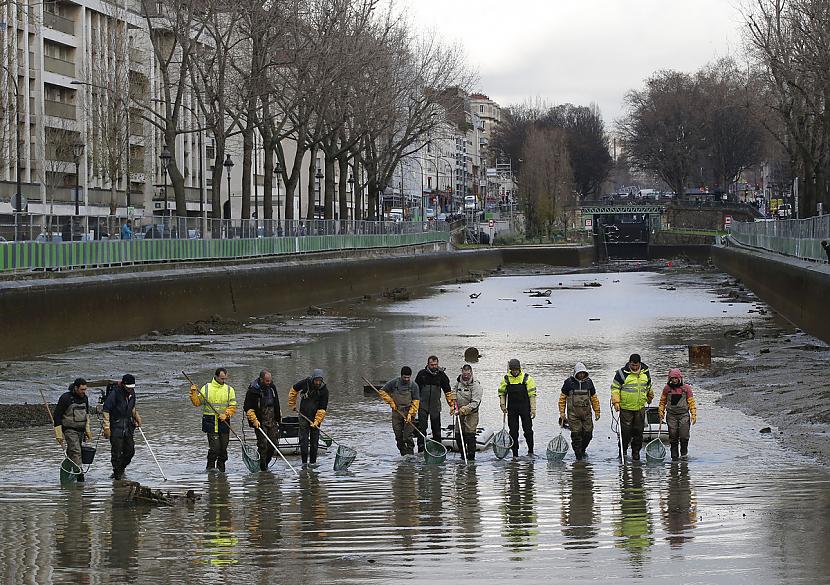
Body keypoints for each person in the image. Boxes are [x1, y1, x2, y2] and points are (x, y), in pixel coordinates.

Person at [190, 368, 237, 472]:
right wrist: (193, 393)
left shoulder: (230, 390)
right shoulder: (206, 388)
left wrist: (226, 414)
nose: (223, 380)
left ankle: (221, 470)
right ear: (216, 376)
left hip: (224, 422)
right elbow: (197, 403)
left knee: (223, 449)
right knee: (215, 448)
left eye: (225, 378)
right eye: (221, 378)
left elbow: (233, 406)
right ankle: (210, 468)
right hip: (210, 422)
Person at [611, 354, 654, 461]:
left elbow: (648, 385)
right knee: (625, 433)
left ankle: (636, 454)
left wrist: (650, 395)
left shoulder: (645, 372)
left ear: (639, 364)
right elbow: (615, 388)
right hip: (625, 408)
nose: (634, 367)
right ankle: (623, 452)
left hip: (640, 408)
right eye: (632, 365)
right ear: (629, 363)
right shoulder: (621, 373)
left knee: (638, 433)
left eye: (636, 365)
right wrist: (616, 402)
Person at [102, 374, 141, 480]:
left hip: (128, 426)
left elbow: (132, 407)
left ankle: (120, 469)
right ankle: (117, 474)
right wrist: (106, 427)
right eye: (128, 387)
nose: (130, 389)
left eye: (132, 387)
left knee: (130, 451)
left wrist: (136, 416)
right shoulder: (115, 394)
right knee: (116, 452)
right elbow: (106, 410)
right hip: (115, 426)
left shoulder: (132, 393)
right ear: (123, 385)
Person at [558, 362, 601, 460]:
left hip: (587, 414)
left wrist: (597, 411)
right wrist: (562, 413)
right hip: (573, 415)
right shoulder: (568, 383)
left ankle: (582, 450)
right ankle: (578, 457)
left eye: (583, 373)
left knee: (588, 434)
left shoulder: (589, 383)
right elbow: (562, 398)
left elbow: (594, 398)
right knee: (576, 436)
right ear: (575, 373)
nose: (581, 375)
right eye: (579, 373)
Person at [53, 378, 92, 481]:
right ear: (76, 388)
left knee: (72, 453)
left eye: (85, 389)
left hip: (81, 431)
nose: (84, 392)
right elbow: (57, 416)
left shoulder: (85, 398)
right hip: (69, 430)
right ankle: (80, 476)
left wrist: (87, 430)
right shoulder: (65, 398)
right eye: (82, 390)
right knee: (76, 451)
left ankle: (68, 476)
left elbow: (87, 415)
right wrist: (58, 434)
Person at [288, 369, 329, 466]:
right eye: (316, 380)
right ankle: (304, 463)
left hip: (316, 418)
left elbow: (322, 409)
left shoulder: (324, 391)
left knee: (314, 442)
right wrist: (292, 404)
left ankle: (313, 463)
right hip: (303, 416)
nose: (318, 382)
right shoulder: (306, 383)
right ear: (313, 379)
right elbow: (294, 390)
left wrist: (316, 421)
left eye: (320, 380)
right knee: (304, 441)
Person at [498, 359, 537, 457]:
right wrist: (502, 405)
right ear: (510, 369)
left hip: (525, 408)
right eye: (513, 370)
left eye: (516, 369)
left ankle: (531, 451)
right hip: (512, 409)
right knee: (513, 432)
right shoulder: (506, 379)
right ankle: (515, 454)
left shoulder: (527, 378)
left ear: (519, 369)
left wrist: (533, 409)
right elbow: (502, 393)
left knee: (528, 431)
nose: (515, 371)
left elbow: (532, 395)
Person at [244, 369, 281, 471]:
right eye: (267, 381)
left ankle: (266, 464)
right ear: (261, 379)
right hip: (260, 422)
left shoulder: (272, 388)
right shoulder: (253, 390)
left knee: (274, 444)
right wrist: (254, 420)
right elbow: (247, 407)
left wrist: (279, 418)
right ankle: (262, 468)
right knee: (263, 445)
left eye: (270, 380)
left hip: (272, 421)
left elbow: (277, 403)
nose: (269, 383)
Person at [378, 367, 420, 456]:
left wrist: (410, 414)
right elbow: (382, 391)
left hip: (409, 412)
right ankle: (403, 454)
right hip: (396, 412)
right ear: (401, 376)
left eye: (408, 377)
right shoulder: (394, 383)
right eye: (405, 377)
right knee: (398, 437)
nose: (406, 379)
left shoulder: (414, 386)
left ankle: (410, 455)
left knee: (407, 436)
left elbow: (416, 401)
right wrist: (391, 402)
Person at [414, 356, 453, 452]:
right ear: (428, 364)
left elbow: (448, 391)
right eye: (432, 365)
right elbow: (415, 390)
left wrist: (452, 405)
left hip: (435, 406)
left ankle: (438, 449)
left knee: (436, 429)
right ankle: (421, 449)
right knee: (422, 428)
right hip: (422, 406)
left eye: (436, 364)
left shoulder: (442, 375)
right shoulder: (421, 374)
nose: (434, 366)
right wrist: (414, 405)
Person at [658, 368, 697, 461]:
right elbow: (662, 402)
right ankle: (674, 457)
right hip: (671, 415)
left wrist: (693, 414)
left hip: (684, 415)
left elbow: (691, 402)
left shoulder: (686, 388)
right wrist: (661, 412)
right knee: (673, 436)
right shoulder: (667, 389)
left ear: (680, 378)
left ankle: (684, 455)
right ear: (669, 379)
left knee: (684, 436)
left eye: (676, 378)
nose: (674, 380)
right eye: (672, 378)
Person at [452, 364, 483, 460]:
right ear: (462, 373)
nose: (466, 376)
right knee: (458, 435)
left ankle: (471, 457)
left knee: (470, 435)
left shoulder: (476, 385)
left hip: (471, 414)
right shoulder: (458, 383)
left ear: (471, 373)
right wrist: (452, 401)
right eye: (464, 374)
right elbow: (453, 391)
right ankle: (462, 454)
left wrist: (464, 410)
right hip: (459, 413)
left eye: (468, 374)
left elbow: (475, 402)